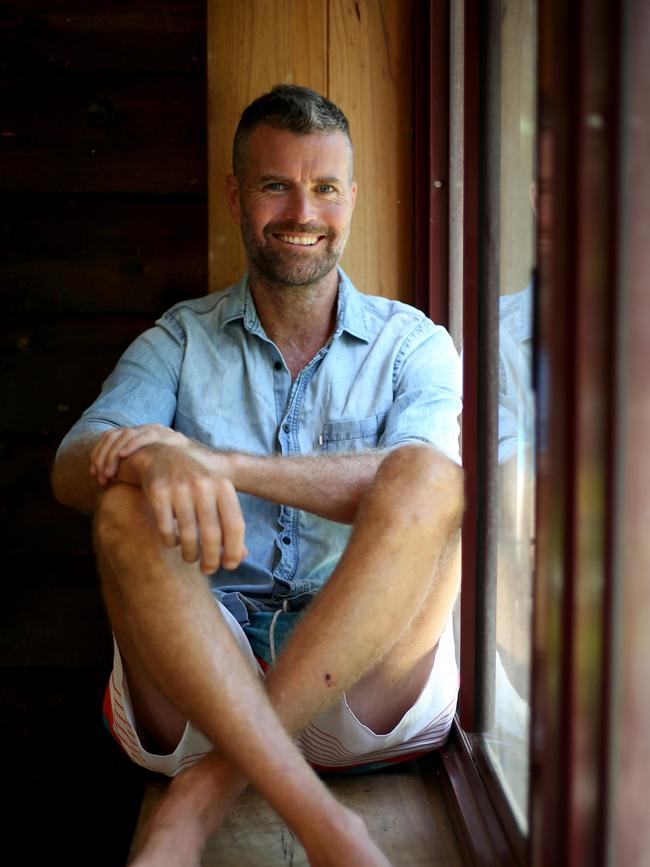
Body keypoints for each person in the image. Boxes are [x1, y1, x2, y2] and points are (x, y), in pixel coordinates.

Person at [52, 84, 464, 867]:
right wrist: (150, 454)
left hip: (364, 691)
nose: (302, 211)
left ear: (352, 198)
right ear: (238, 196)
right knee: (119, 506)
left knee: (434, 481)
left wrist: (223, 463)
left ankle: (205, 794)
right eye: (276, 185)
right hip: (201, 688)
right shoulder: (179, 338)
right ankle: (326, 823)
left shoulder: (415, 344)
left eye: (324, 187)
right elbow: (76, 463)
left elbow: (418, 486)